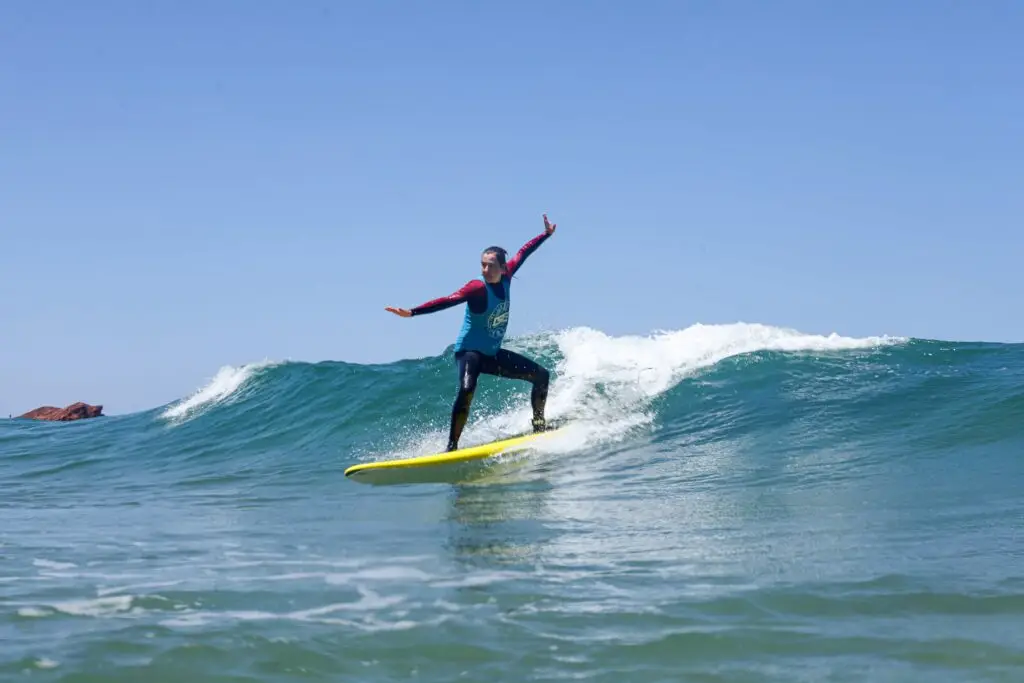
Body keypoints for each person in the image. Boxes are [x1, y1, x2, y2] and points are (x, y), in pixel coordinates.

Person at [386, 214, 558, 451]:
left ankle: (539, 427)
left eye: (490, 265)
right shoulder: (476, 287)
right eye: (482, 264)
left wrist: (546, 235)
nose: (485, 269)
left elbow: (524, 252)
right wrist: (412, 312)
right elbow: (447, 300)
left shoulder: (507, 277)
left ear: (502, 267)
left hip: (492, 353)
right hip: (469, 353)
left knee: (542, 376)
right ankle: (452, 446)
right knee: (467, 389)